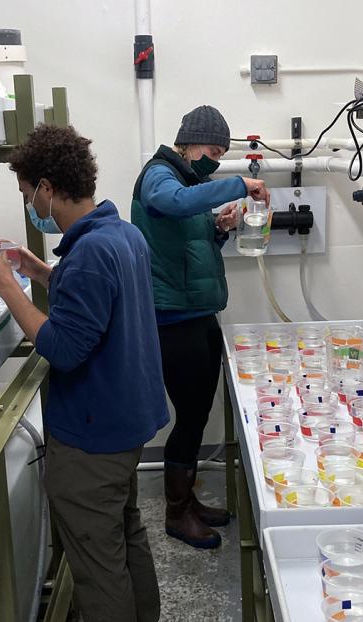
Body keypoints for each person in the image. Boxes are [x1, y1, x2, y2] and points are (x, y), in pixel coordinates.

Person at [0, 124, 168, 622]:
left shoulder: (90, 252)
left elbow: (63, 346)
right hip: (127, 420)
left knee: (97, 559)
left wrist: (9, 288)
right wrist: (37, 269)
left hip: (91, 434)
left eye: (26, 193)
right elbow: (91, 298)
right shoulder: (118, 234)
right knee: (123, 533)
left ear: (44, 188)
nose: (30, 205)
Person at [131, 105, 269, 550]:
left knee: (198, 412)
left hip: (198, 312)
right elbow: (166, 203)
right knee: (190, 414)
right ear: (188, 142)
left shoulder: (191, 182)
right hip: (173, 317)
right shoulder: (159, 175)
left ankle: (187, 502)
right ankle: (176, 513)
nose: (214, 159)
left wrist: (218, 228)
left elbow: (185, 240)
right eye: (212, 150)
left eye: (221, 154)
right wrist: (237, 184)